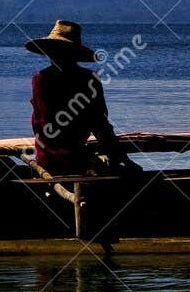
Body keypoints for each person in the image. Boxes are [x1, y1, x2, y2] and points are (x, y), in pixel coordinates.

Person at [24, 20, 138, 177]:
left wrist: (120, 158)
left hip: (50, 159)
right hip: (70, 159)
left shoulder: (41, 79)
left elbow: (49, 124)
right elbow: (100, 125)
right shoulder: (88, 79)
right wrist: (121, 158)